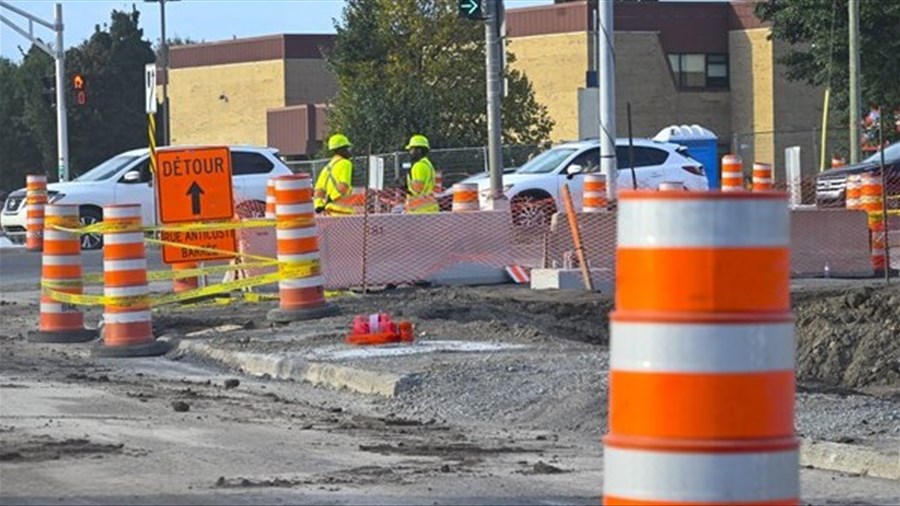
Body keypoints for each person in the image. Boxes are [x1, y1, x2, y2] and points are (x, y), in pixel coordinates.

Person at [314, 134, 355, 216]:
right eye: (347, 148)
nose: (349, 151)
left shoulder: (327, 167)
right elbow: (343, 186)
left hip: (329, 213)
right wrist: (331, 198)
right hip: (343, 213)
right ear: (341, 150)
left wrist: (319, 205)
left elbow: (319, 190)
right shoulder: (346, 163)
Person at [404, 134, 440, 214]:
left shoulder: (419, 166)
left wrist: (403, 187)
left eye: (411, 149)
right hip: (428, 210)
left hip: (420, 212)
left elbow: (417, 189)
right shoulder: (427, 164)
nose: (410, 152)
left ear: (419, 150)